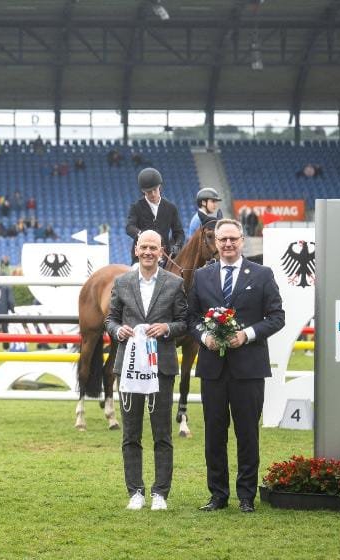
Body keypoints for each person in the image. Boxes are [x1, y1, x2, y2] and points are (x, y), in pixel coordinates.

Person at [187, 219, 284, 513]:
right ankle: (218, 495)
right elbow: (190, 318)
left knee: (247, 434)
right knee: (214, 434)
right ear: (215, 243)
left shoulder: (263, 273)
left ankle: (246, 496)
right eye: (222, 239)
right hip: (213, 369)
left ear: (242, 240)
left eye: (233, 239)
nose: (228, 244)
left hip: (249, 368)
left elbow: (277, 316)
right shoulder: (202, 277)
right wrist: (204, 337)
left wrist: (248, 334)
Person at [105, 230, 187, 511]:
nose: (149, 252)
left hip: (161, 367)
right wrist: (118, 331)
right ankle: (135, 491)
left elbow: (184, 322)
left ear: (162, 251)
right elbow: (110, 319)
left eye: (154, 247)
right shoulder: (122, 281)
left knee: (162, 432)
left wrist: (167, 328)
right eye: (144, 247)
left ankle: (160, 493)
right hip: (128, 368)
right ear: (136, 250)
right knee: (131, 433)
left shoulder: (175, 283)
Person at [126, 168, 185, 263]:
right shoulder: (136, 207)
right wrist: (141, 234)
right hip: (141, 257)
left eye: (155, 190)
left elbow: (179, 233)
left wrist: (177, 246)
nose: (153, 194)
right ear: (143, 191)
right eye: (149, 192)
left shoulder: (170, 208)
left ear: (160, 187)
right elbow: (129, 227)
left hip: (164, 256)